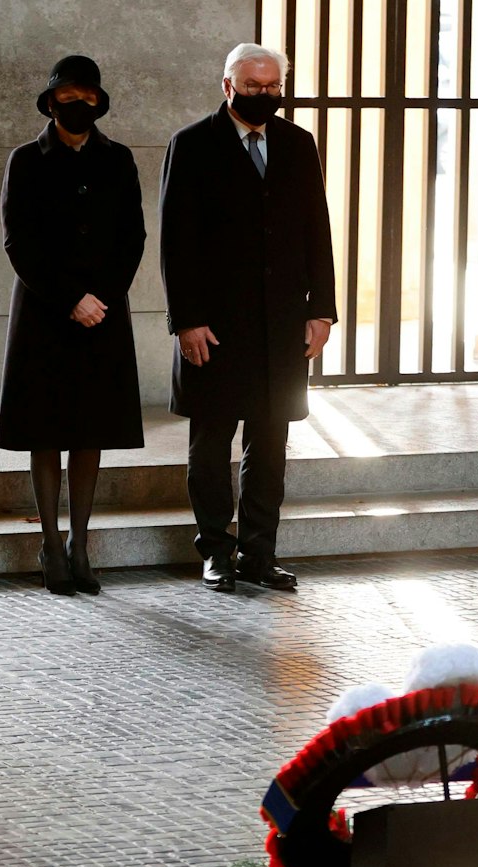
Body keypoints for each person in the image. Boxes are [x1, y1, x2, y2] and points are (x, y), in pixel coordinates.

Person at [160, 43, 337, 593]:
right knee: (211, 443)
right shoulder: (192, 144)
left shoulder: (298, 144)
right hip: (214, 325)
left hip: (282, 324)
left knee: (270, 443)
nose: (264, 95)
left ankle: (260, 554)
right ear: (227, 86)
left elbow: (317, 230)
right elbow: (175, 241)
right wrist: (186, 320)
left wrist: (322, 309)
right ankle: (215, 551)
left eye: (272, 87)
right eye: (253, 86)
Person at [0, 55, 146, 596]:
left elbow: (133, 237)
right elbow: (18, 241)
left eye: (88, 97)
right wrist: (70, 299)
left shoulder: (118, 159)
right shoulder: (25, 160)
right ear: (51, 101)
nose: (78, 105)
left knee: (90, 431)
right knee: (46, 431)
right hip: (45, 312)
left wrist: (101, 298)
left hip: (102, 313)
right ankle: (51, 544)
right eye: (68, 96)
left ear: (99, 102)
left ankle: (81, 545)